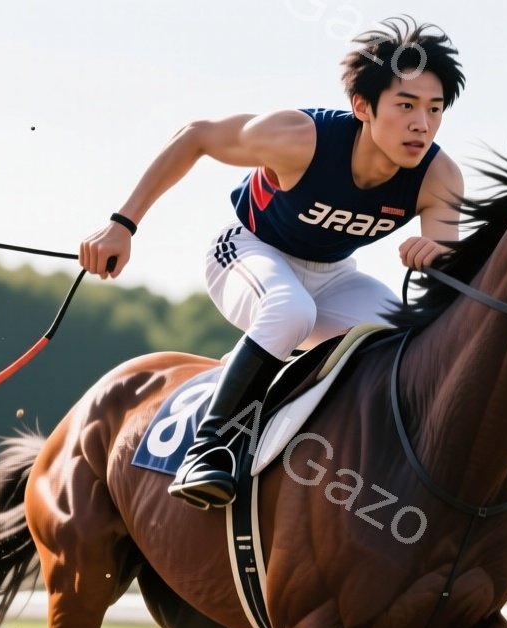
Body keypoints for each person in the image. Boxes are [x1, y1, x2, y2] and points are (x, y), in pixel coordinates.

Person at [79, 16, 466, 509]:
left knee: (406, 339)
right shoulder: (298, 137)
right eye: (406, 105)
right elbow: (196, 136)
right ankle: (208, 446)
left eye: (435, 110)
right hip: (246, 250)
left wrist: (440, 257)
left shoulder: (439, 176)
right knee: (290, 311)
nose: (422, 124)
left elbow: (445, 282)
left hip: (334, 276)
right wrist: (122, 225)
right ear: (363, 106)